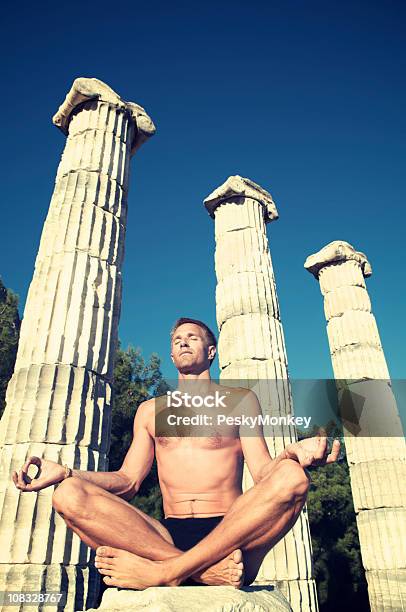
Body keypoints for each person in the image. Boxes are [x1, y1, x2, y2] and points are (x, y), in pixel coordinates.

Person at [13, 317, 340, 590]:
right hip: (164, 535)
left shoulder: (240, 401)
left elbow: (264, 473)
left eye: (193, 338)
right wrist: (68, 473)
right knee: (68, 494)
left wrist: (291, 455)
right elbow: (127, 482)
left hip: (231, 535)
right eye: (178, 340)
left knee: (292, 477)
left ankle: (164, 572)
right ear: (171, 355)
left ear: (210, 351)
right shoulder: (150, 411)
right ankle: (196, 570)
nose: (183, 342)